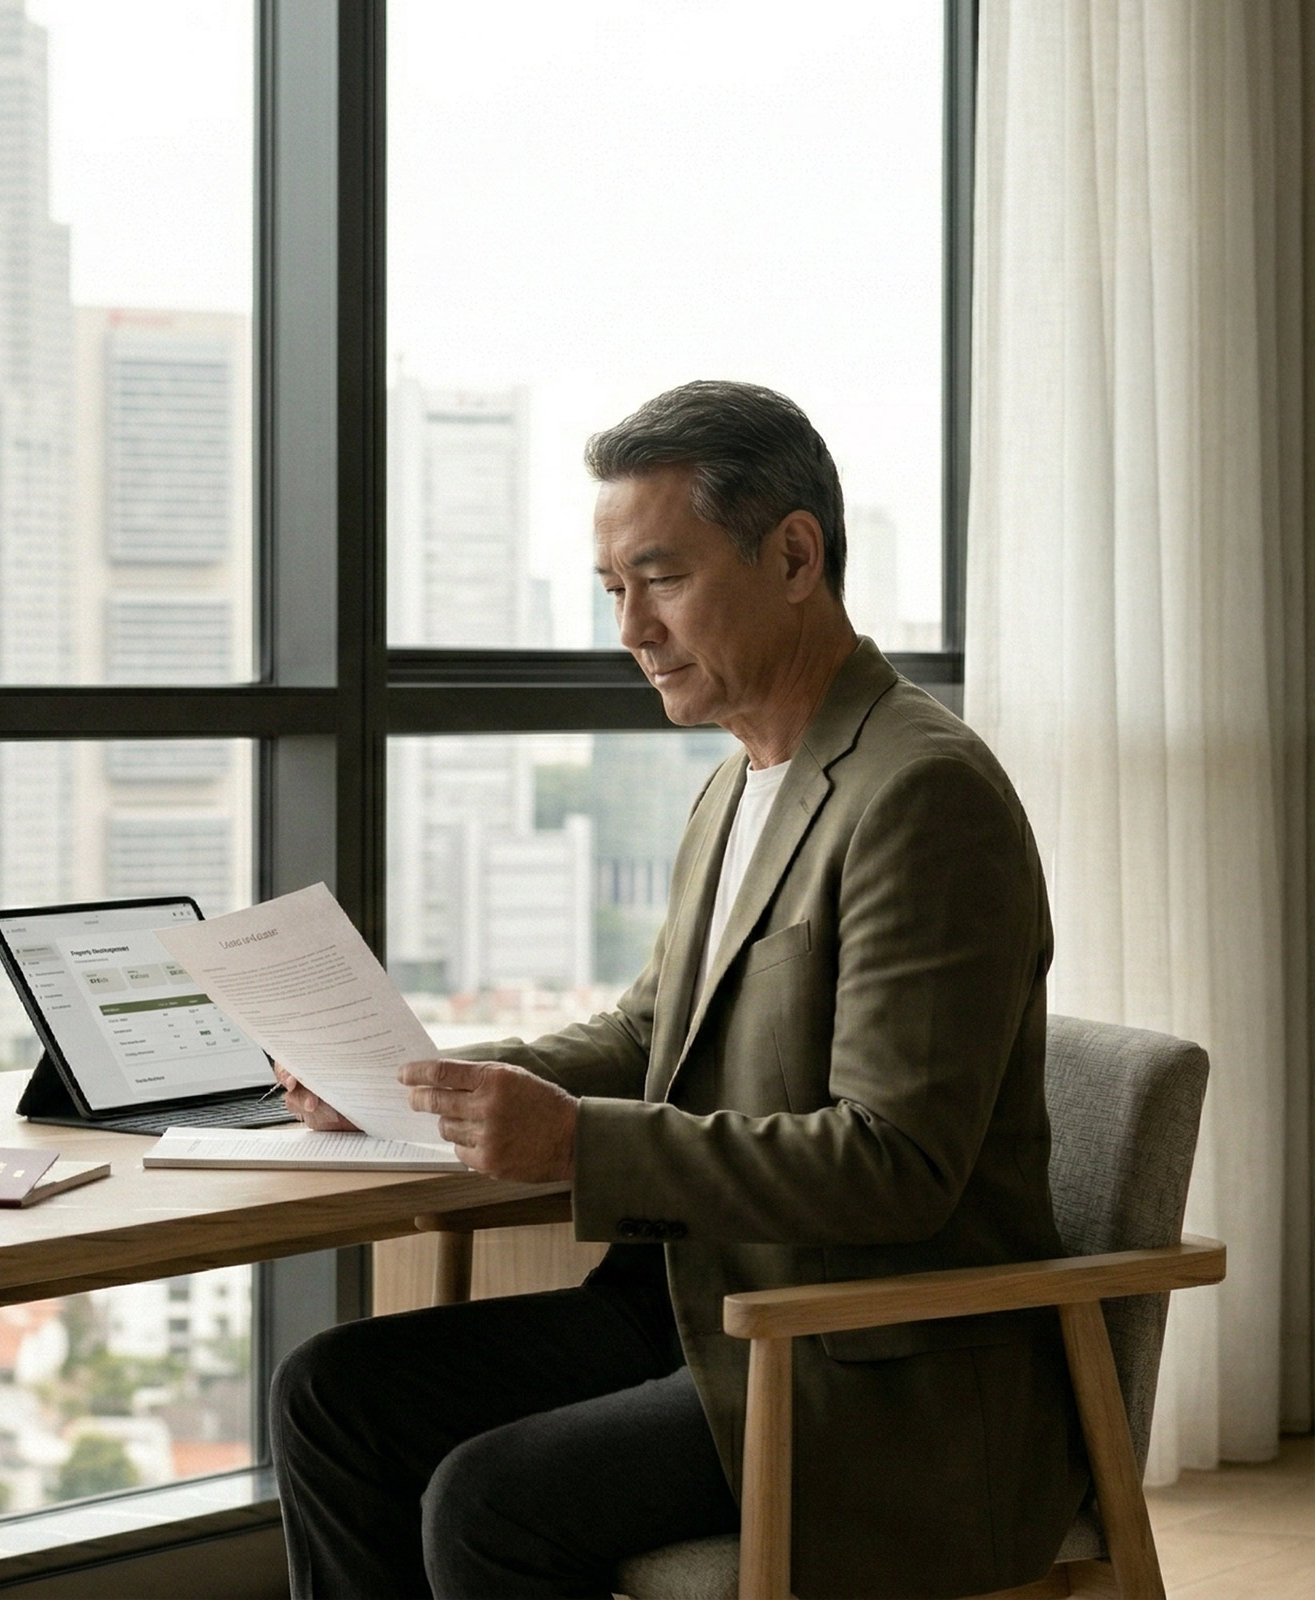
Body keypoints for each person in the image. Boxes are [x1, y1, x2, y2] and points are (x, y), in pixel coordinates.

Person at [270, 380, 1087, 1599]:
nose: (630, 628)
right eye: (612, 588)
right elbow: (652, 1032)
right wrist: (423, 1085)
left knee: (487, 1501)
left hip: (860, 1363)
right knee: (333, 1395)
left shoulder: (923, 795)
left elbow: (896, 1162)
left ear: (795, 556)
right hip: (699, 1302)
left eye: (660, 578)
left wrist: (580, 1144)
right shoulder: (735, 782)